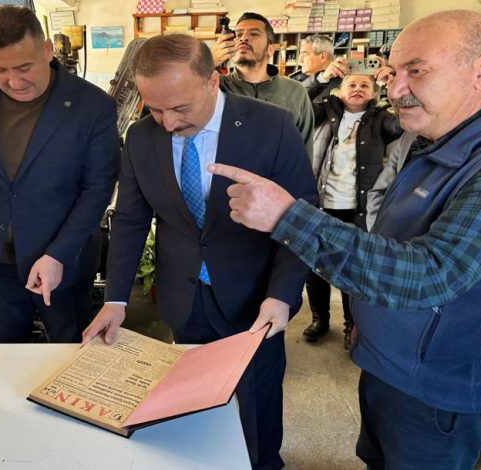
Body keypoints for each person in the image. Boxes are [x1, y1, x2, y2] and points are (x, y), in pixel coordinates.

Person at [208, 9, 481, 468]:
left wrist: (287, 216)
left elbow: (429, 276)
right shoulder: (445, 136)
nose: (395, 87)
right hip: (396, 368)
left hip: (439, 392)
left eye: (416, 71)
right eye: (393, 71)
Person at [81, 34, 318, 470]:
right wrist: (115, 299)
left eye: (180, 108)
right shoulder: (140, 137)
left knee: (257, 403)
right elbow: (132, 221)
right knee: (195, 406)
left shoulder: (273, 126)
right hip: (184, 297)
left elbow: (300, 218)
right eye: (154, 108)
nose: (167, 122)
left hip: (256, 300)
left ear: (213, 81)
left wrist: (282, 294)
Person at [0, 5, 119, 344]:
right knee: (2, 360)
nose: (14, 81)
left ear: (47, 50)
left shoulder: (92, 106)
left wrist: (58, 254)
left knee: (69, 358)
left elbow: (97, 189)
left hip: (64, 262)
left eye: (24, 67)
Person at [365, 47, 481, 231]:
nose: (395, 92)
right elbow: (382, 190)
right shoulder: (416, 130)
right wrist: (378, 234)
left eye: (416, 71)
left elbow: (447, 255)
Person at [303, 73, 402, 348]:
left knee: (351, 270)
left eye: (365, 85)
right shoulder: (324, 111)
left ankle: (351, 324)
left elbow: (403, 125)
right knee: (315, 267)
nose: (358, 89)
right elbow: (299, 104)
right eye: (351, 84)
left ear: (373, 92)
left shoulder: (381, 118)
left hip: (356, 208)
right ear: (339, 90)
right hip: (321, 204)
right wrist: (322, 78)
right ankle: (319, 318)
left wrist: (394, 87)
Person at [211, 12, 314, 156]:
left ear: (270, 49)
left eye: (254, 34)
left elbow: (304, 150)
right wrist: (209, 60)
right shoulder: (216, 86)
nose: (244, 38)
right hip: (227, 177)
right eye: (238, 34)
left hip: (278, 178)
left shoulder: (295, 91)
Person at [290, 35, 341, 102]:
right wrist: (322, 78)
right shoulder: (294, 80)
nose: (300, 61)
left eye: (304, 55)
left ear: (322, 57)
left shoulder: (344, 83)